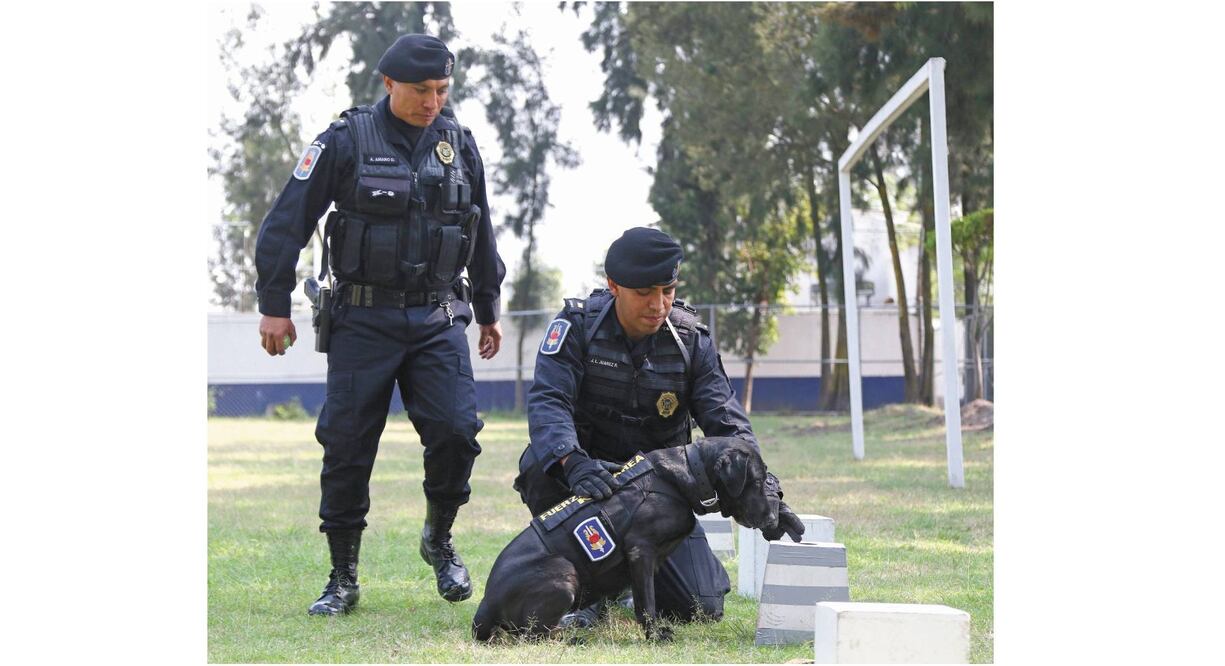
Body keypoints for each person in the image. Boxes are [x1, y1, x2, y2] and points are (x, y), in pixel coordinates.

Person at [254, 34, 505, 616]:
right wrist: (274, 302)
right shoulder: (344, 141)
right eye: (421, 90)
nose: (432, 102)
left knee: (456, 431)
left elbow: (481, 231)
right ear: (389, 83)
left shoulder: (459, 144)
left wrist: (489, 310)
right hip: (363, 318)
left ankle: (438, 539)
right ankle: (343, 577)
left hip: (438, 314)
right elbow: (287, 221)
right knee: (346, 445)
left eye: (442, 90)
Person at [513, 227, 803, 628]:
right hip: (588, 482)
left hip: (659, 497)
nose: (658, 304)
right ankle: (590, 587)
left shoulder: (690, 342)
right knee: (538, 465)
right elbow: (548, 401)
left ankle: (627, 585)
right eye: (644, 293)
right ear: (613, 285)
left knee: (699, 607)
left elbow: (731, 430)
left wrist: (767, 495)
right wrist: (572, 461)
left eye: (667, 290)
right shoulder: (577, 328)